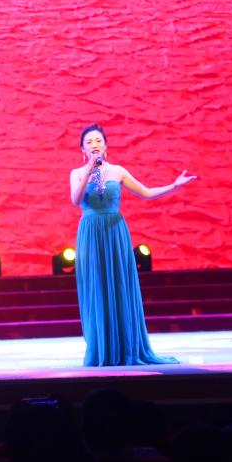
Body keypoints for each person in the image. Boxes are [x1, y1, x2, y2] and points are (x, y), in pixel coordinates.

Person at [70, 124, 194, 366]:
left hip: (115, 232)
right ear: (82, 149)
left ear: (106, 146)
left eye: (98, 141)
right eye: (89, 142)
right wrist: (89, 170)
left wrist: (174, 185)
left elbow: (146, 192)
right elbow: (75, 199)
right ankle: (101, 349)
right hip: (91, 234)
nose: (94, 145)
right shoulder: (76, 173)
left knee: (119, 285)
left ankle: (126, 347)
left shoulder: (118, 171)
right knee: (96, 287)